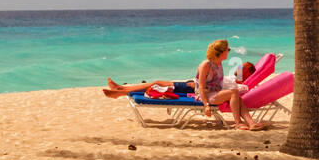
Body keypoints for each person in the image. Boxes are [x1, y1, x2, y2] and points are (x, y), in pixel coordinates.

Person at [198, 40, 264, 130]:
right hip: (205, 96)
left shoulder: (218, 63)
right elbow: (201, 87)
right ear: (221, 52)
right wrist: (206, 106)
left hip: (216, 93)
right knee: (233, 92)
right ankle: (238, 123)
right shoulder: (206, 65)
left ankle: (251, 123)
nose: (228, 52)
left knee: (237, 97)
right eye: (227, 49)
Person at [102, 61, 255, 98]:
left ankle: (120, 92)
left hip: (193, 88)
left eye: (244, 67)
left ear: (247, 73)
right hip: (193, 84)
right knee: (157, 82)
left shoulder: (239, 84)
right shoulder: (236, 80)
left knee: (157, 85)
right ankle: (121, 89)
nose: (240, 67)